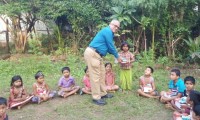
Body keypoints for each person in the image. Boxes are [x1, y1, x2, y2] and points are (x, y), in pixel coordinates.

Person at [84, 19, 122, 105]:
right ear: (110, 24)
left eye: (118, 27)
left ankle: (103, 93)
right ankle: (96, 97)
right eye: (115, 25)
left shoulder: (109, 33)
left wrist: (116, 54)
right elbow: (111, 46)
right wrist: (117, 56)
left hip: (98, 56)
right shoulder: (107, 31)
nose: (116, 28)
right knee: (95, 76)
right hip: (93, 54)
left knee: (102, 74)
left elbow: (108, 48)